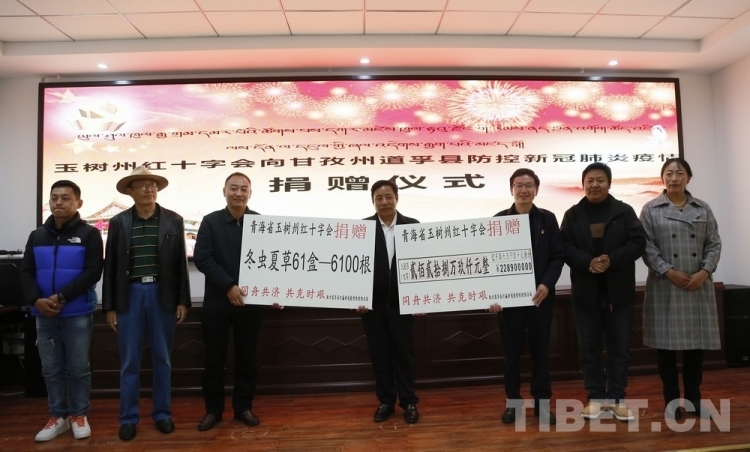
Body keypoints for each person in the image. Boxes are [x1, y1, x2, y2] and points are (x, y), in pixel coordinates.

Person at [102, 166, 191, 441]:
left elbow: (180, 265)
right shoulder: (119, 222)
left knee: (162, 359)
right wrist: (109, 306)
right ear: (130, 191)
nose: (149, 189)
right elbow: (111, 266)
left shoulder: (173, 220)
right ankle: (128, 418)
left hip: (162, 294)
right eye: (141, 185)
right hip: (129, 295)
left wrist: (182, 300)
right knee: (130, 361)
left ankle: (162, 413)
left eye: (152, 185)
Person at [560, 162, 646, 422]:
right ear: (583, 184)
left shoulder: (624, 211)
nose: (594, 185)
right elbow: (564, 246)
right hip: (586, 293)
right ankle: (595, 398)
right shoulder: (573, 215)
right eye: (590, 180)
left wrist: (611, 259)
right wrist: (588, 262)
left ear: (609, 183)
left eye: (600, 180)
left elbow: (638, 242)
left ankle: (618, 398)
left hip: (619, 294)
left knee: (620, 349)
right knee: (589, 349)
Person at [20, 180, 103, 442]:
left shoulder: (90, 234)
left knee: (78, 368)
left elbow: (93, 272)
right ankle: (58, 416)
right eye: (54, 197)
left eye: (65, 198)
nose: (58, 202)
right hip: (43, 314)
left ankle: (79, 414)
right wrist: (36, 300)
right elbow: (26, 271)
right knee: (51, 369)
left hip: (77, 312)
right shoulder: (37, 235)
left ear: (78, 203)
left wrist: (62, 297)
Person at [640, 158, 721, 420]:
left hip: (697, 285)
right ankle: (671, 401)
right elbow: (646, 246)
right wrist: (668, 271)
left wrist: (704, 272)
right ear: (662, 178)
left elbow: (714, 244)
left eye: (679, 173)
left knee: (695, 349)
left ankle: (695, 400)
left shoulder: (703, 208)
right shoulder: (651, 209)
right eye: (669, 173)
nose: (674, 178)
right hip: (665, 285)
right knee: (665, 349)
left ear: (688, 178)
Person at [489, 169, 564, 425]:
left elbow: (557, 256)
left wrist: (546, 283)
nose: (524, 190)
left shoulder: (547, 219)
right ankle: (513, 404)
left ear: (536, 190)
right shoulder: (499, 220)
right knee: (511, 355)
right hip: (510, 302)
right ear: (511, 189)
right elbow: (490, 262)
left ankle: (542, 405)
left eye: (529, 185)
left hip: (540, 298)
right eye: (519, 185)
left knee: (540, 353)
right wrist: (493, 295)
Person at [193, 172, 265, 431]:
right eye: (233, 188)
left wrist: (275, 292)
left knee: (247, 359)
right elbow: (203, 258)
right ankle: (213, 411)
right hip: (217, 303)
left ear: (250, 193)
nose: (238, 193)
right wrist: (228, 286)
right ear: (224, 191)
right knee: (214, 360)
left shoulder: (260, 223)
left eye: (244, 189)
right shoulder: (210, 222)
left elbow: (273, 260)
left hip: (251, 304)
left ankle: (243, 407)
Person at [357, 180, 420, 423]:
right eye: (378, 198)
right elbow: (355, 270)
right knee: (380, 356)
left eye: (388, 197)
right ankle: (385, 401)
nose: (384, 202)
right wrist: (358, 297)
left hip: (402, 305)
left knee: (404, 356)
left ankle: (409, 402)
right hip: (372, 307)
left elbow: (421, 265)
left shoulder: (412, 226)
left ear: (397, 198)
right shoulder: (362, 229)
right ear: (373, 201)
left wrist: (421, 300)